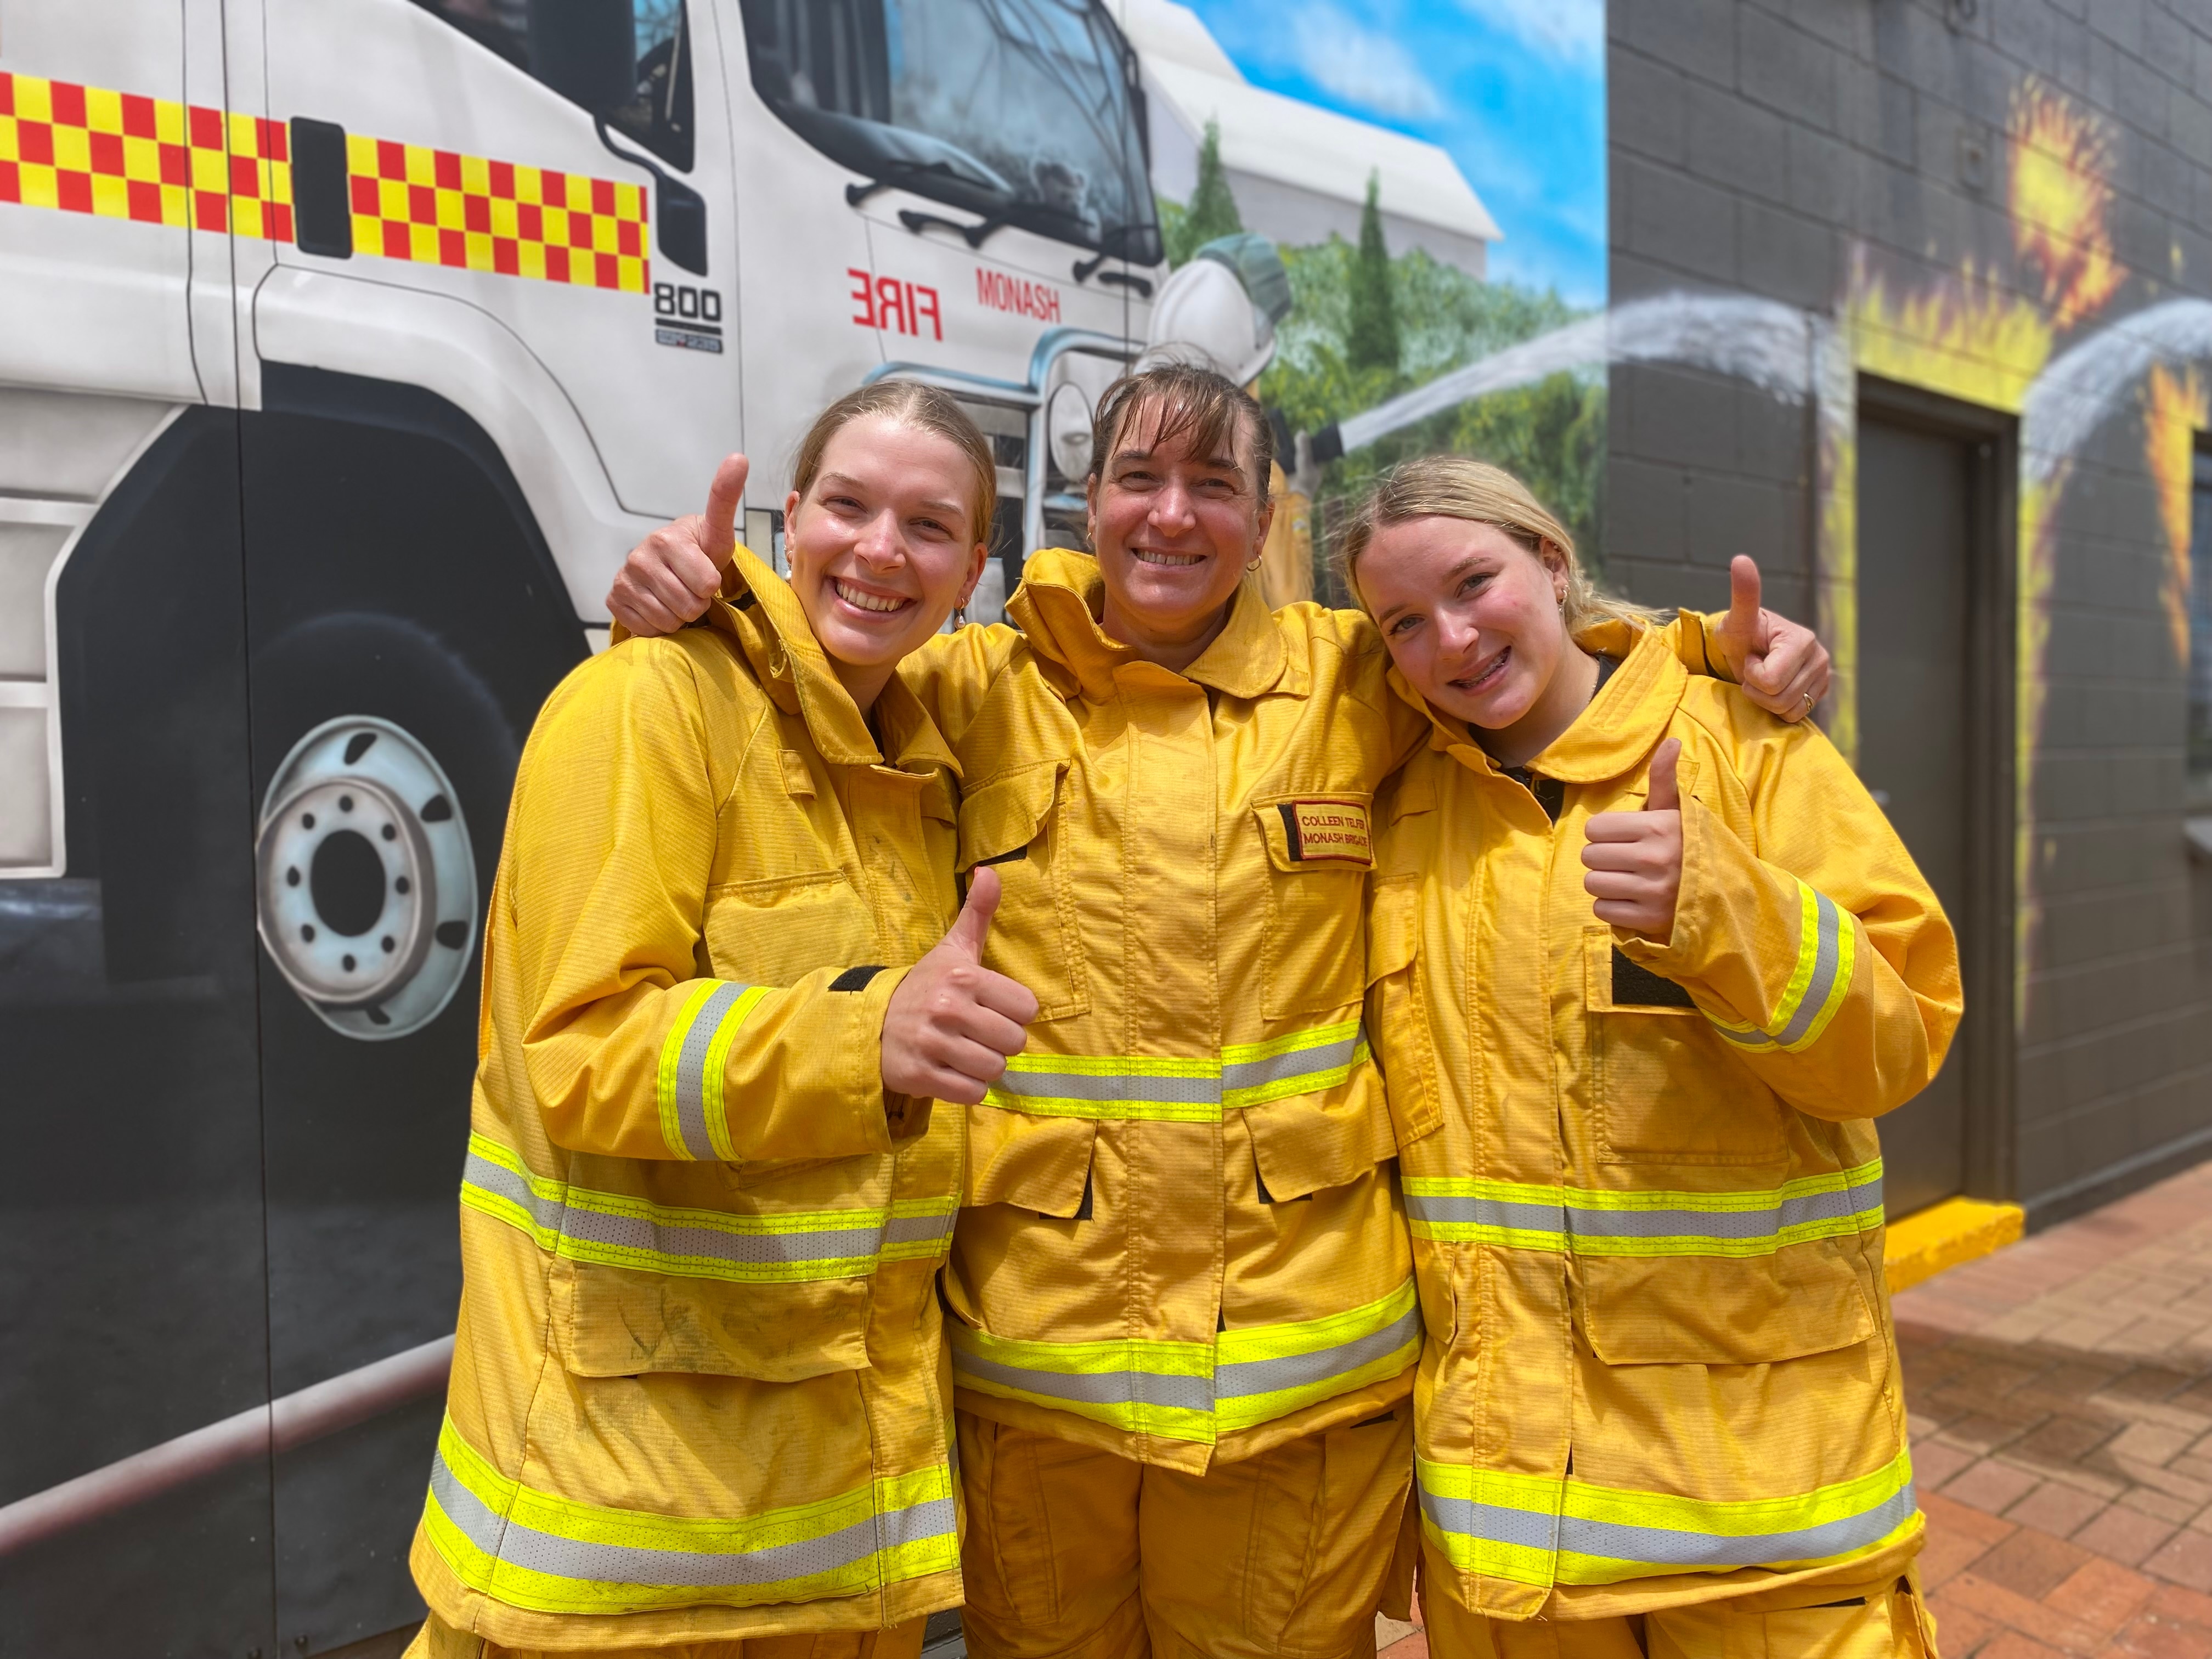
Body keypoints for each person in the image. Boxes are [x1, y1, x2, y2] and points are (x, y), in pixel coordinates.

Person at [605, 365, 1833, 1659]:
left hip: (1294, 1394)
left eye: (1213, 486)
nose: (1172, 517)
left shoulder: (1362, 677)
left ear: (1265, 517)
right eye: (1139, 479)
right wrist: (694, 605)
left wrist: (1719, 658)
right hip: (1040, 1381)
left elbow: (1525, 650)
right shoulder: (975, 685)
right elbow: (816, 676)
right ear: (1089, 504)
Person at [404, 382, 1042, 1659]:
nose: (879, 551)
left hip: (832, 1522)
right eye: (849, 507)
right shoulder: (650, 705)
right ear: (783, 519)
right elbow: (576, 1051)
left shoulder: (920, 765)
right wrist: (863, 1039)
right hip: (626, 1525)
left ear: (976, 568)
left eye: (928, 526)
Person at [1344, 458, 1959, 1659]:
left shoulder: (1741, 741)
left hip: (1760, 1518)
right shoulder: (1397, 807)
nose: (1452, 641)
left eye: (1477, 582)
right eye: (1403, 624)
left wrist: (1727, 912)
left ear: (1554, 564)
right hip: (1513, 1534)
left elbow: (1902, 1036)